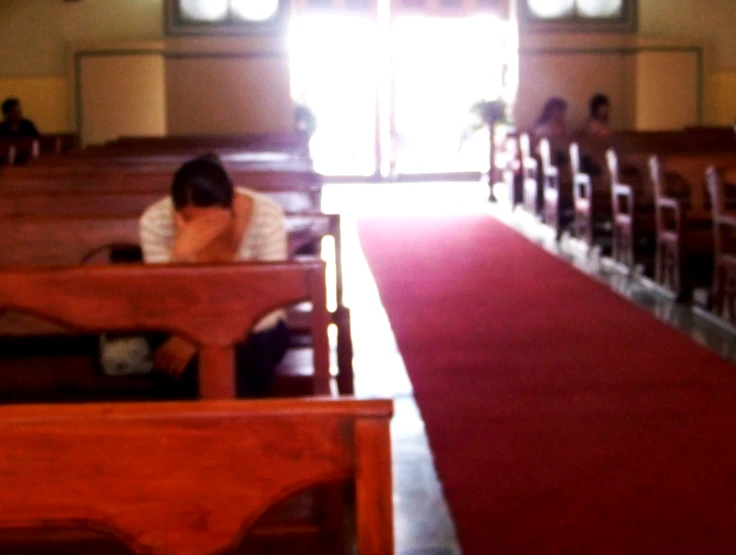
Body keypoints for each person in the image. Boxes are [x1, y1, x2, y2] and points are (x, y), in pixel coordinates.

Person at [139, 154, 290, 398]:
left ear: (230, 207)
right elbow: (162, 301)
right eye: (191, 221)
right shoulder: (155, 221)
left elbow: (269, 298)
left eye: (210, 222)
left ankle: (229, 427)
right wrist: (181, 255)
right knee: (176, 361)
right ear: (178, 214)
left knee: (246, 358)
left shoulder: (265, 215)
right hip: (179, 322)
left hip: (255, 324)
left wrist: (198, 337)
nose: (202, 230)